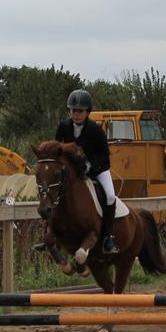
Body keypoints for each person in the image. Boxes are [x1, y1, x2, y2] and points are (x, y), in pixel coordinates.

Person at [53, 89, 119, 255]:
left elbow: (105, 157)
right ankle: (50, 234)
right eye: (73, 110)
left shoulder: (95, 130)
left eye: (80, 111)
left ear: (87, 112)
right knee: (52, 191)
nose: (76, 114)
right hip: (71, 173)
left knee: (110, 196)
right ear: (69, 111)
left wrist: (90, 167)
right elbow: (56, 150)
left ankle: (107, 238)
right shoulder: (63, 127)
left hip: (97, 169)